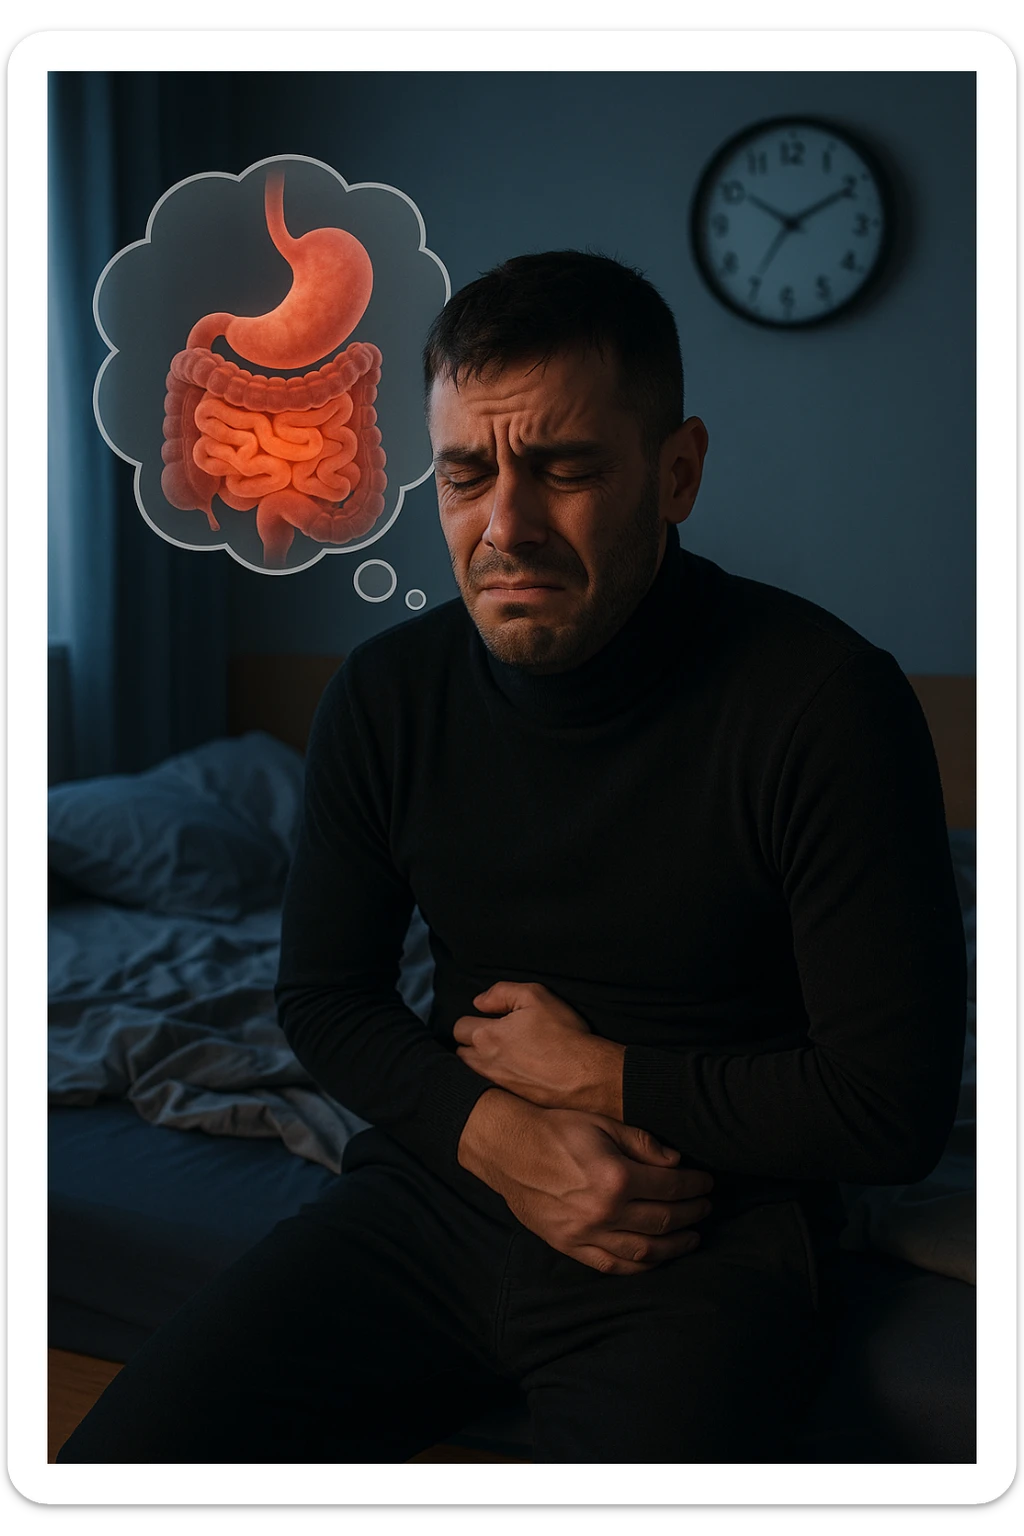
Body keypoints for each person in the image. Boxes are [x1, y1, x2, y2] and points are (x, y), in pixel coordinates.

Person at [58, 251, 967, 1465]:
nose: (505, 527)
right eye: (465, 474)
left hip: (703, 1235)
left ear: (677, 471)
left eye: (566, 470)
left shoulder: (823, 705)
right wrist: (497, 1131)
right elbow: (325, 997)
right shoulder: (384, 697)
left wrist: (598, 1077)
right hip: (432, 1200)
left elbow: (887, 1112)